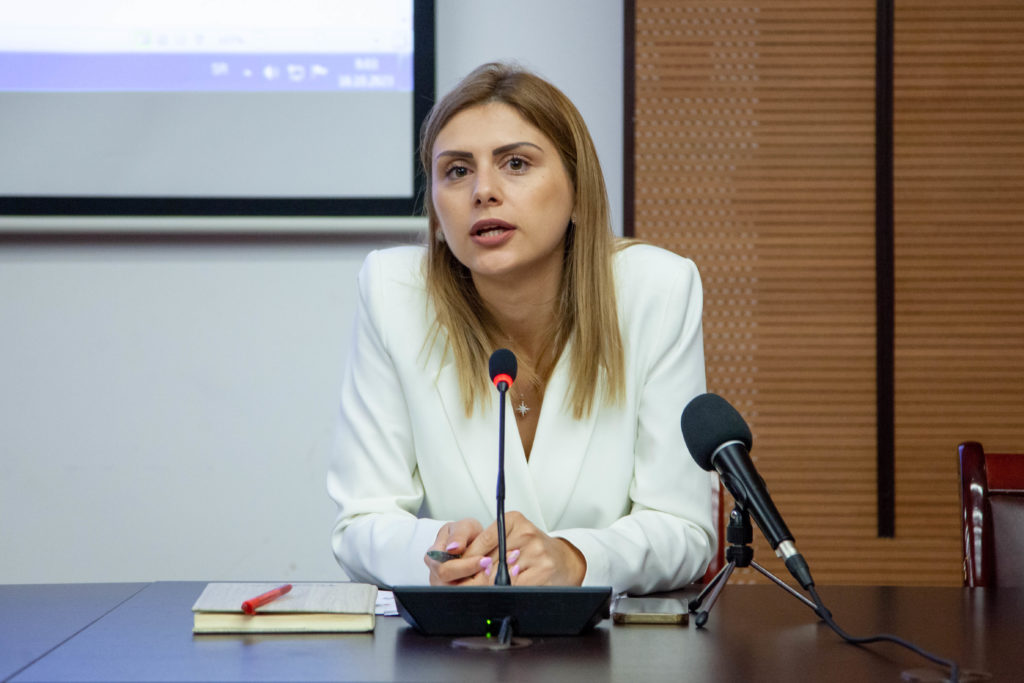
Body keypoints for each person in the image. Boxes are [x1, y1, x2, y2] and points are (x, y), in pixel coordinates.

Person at [327, 62, 714, 595]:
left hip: (603, 642)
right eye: (456, 171)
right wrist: (439, 553)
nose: (483, 191)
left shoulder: (655, 290)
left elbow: (684, 528)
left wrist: (575, 560)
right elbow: (361, 522)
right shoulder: (394, 292)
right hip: (458, 638)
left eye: (515, 163)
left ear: (578, 190)